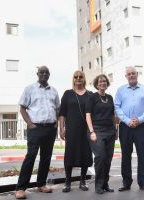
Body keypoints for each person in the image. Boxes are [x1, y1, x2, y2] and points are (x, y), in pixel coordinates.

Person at [15, 66, 60, 199]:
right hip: (35, 128)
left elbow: (58, 108)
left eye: (46, 72)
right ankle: (20, 188)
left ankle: (41, 184)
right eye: (42, 72)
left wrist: (56, 123)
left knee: (46, 157)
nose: (44, 74)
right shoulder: (30, 89)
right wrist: (30, 124)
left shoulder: (54, 91)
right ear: (37, 74)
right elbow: (22, 108)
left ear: (49, 75)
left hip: (50, 128)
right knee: (31, 156)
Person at [115, 66, 144, 192]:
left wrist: (140, 119)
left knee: (142, 154)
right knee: (125, 155)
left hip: (141, 126)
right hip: (125, 127)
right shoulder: (120, 90)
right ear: (126, 76)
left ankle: (143, 182)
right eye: (129, 74)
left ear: (137, 75)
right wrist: (127, 121)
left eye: (133, 73)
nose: (131, 75)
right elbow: (117, 107)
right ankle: (126, 183)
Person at [59, 70, 93, 193]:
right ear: (73, 79)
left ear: (84, 79)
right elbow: (62, 113)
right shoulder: (68, 94)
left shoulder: (90, 95)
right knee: (69, 155)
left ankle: (82, 181)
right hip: (72, 130)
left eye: (80, 77)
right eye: (75, 77)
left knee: (85, 154)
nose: (78, 79)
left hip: (86, 130)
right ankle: (67, 182)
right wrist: (61, 128)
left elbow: (94, 113)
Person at [86, 74, 116, 194]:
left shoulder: (110, 97)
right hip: (97, 131)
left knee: (108, 159)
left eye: (104, 81)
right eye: (100, 81)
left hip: (110, 131)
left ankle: (105, 184)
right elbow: (88, 115)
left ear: (107, 83)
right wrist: (92, 131)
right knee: (100, 157)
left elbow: (112, 115)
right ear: (97, 84)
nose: (102, 83)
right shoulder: (92, 97)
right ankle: (98, 185)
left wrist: (115, 129)